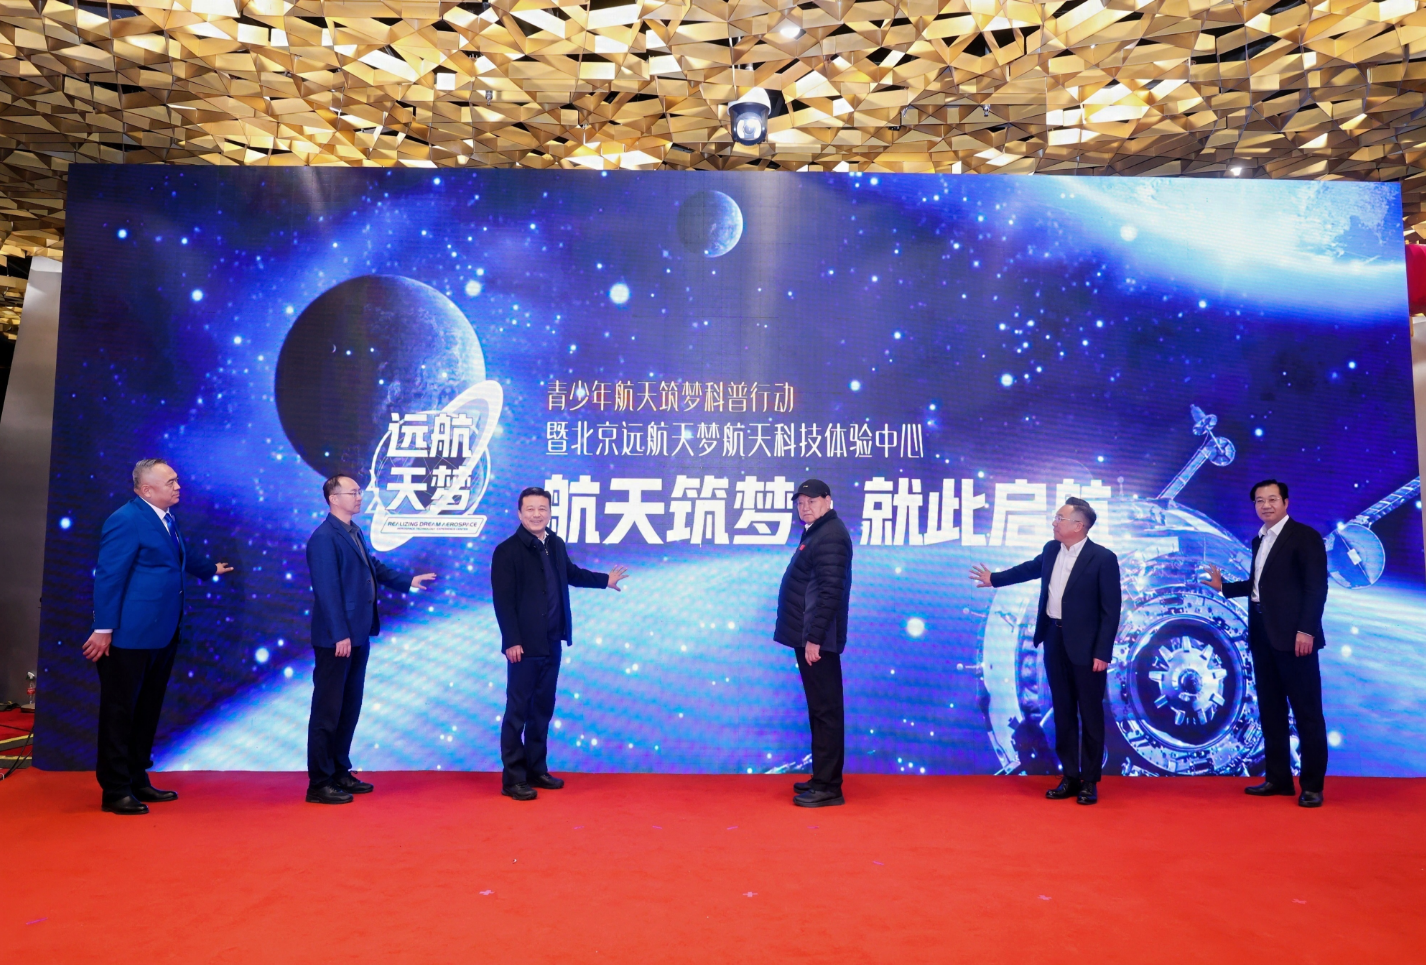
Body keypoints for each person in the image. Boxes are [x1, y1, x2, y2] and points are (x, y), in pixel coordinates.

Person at [81, 459, 234, 815]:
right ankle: (115, 789)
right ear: (147, 490)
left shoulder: (166, 518)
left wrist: (209, 569)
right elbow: (108, 576)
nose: (178, 486)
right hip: (128, 636)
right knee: (120, 712)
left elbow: (177, 557)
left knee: (147, 709)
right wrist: (103, 629)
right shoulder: (125, 519)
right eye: (171, 482)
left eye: (177, 480)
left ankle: (137, 778)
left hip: (163, 632)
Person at [970, 497, 1120, 805]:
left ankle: (1090, 781)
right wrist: (994, 579)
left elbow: (1111, 611)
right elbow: (1028, 569)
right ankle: (1070, 776)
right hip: (1054, 639)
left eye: (1060, 518)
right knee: (1062, 712)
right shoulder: (1052, 550)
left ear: (1079, 525)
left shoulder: (1103, 558)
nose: (1054, 523)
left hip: (1087, 648)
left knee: (1090, 714)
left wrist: (1103, 652)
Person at [304, 474, 436, 805]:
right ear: (334, 498)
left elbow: (371, 567)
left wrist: (407, 581)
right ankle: (319, 782)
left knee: (349, 706)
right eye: (353, 492)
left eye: (359, 491)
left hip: (358, 634)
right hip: (337, 640)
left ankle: (339, 771)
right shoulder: (323, 538)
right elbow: (327, 590)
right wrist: (340, 634)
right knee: (327, 710)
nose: (359, 496)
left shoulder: (354, 531)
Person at [490, 486, 628, 801]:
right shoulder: (507, 551)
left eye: (542, 509)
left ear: (549, 512)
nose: (536, 514)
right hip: (523, 646)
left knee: (542, 709)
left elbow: (571, 574)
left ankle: (536, 770)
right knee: (517, 712)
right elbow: (503, 601)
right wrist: (511, 640)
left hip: (553, 640)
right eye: (530, 509)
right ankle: (513, 779)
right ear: (519, 513)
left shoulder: (554, 543)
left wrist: (604, 580)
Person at [1202, 479, 1329, 807]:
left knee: (1307, 713)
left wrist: (1306, 631)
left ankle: (1312, 786)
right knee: (1271, 711)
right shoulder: (1260, 539)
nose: (1266, 505)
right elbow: (1261, 585)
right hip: (1263, 635)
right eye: (1260, 500)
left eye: (1272, 499)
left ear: (1286, 502)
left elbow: (1316, 588)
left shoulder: (1305, 537)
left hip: (1296, 638)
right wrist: (1224, 588)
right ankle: (1278, 779)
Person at [773, 479, 853, 808]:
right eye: (800, 502)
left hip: (818, 640)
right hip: (810, 636)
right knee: (820, 709)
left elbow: (830, 592)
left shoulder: (830, 534)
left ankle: (829, 786)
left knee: (826, 710)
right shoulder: (817, 531)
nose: (805, 507)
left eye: (812, 501)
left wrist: (814, 639)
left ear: (827, 500)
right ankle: (822, 777)